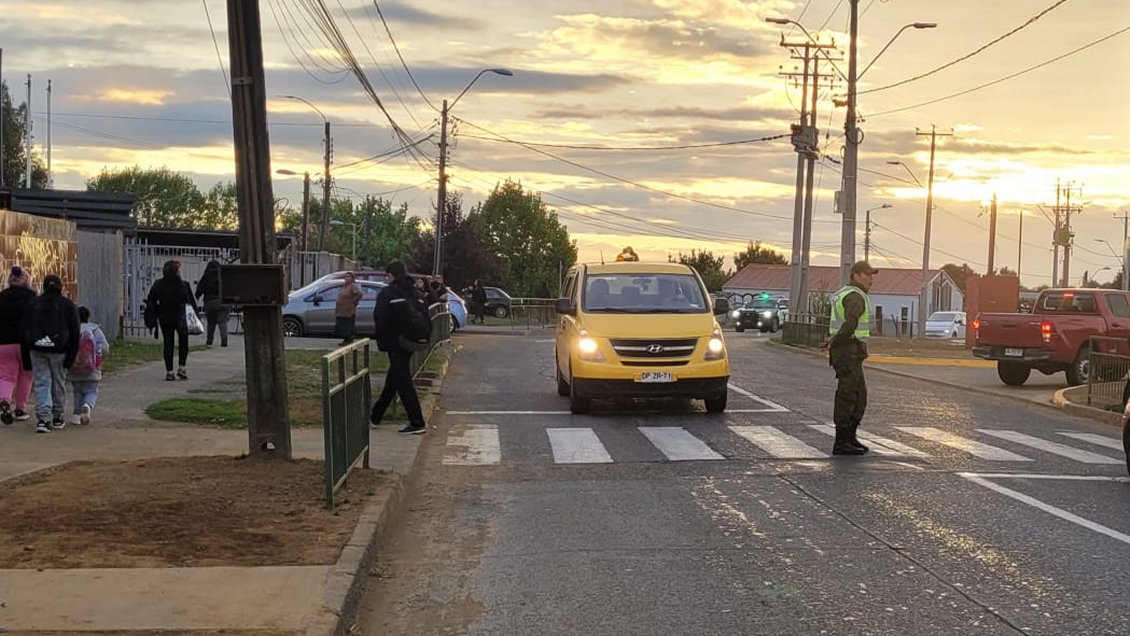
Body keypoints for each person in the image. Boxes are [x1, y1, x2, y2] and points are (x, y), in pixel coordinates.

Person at [369, 260, 427, 435]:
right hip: (414, 340)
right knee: (395, 375)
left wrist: (383, 341)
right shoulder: (416, 292)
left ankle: (417, 421)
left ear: (391, 276)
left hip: (396, 341)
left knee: (402, 379)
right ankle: (376, 415)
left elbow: (380, 317)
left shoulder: (388, 293)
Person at [827, 260, 878, 456]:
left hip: (849, 351)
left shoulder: (846, 292)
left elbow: (842, 325)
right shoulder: (855, 296)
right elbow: (849, 325)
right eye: (867, 275)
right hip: (848, 351)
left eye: (872, 275)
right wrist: (835, 342)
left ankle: (850, 437)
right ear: (856, 275)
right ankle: (842, 441)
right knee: (848, 396)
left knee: (859, 395)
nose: (871, 279)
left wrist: (833, 340)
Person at [20, 274, 80, 433]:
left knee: (42, 383)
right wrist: (71, 357)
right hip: (60, 351)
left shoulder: (33, 304)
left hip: (37, 349)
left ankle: (43, 419)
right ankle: (58, 416)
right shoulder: (67, 305)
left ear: (44, 287)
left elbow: (24, 331)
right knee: (58, 382)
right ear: (60, 287)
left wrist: (26, 358)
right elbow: (75, 333)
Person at [146, 260, 198, 381]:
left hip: (165, 318)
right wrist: (196, 317)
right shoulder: (183, 285)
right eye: (179, 269)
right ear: (175, 271)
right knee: (183, 343)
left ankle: (169, 371)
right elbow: (190, 302)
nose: (180, 271)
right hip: (181, 318)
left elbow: (151, 301)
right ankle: (182, 367)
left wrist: (155, 315)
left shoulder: (158, 284)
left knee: (168, 344)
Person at [0, 267, 37, 425]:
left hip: (3, 343)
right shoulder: (32, 298)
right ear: (25, 280)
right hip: (25, 344)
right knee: (26, 375)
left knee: (6, 375)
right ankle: (20, 409)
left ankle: (4, 401)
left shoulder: (1, 297)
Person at [66, 306, 109, 426]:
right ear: (89, 317)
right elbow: (105, 348)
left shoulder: (72, 330)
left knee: (77, 391)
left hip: (74, 368)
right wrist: (100, 358)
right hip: (92, 369)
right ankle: (87, 405)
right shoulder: (95, 330)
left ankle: (76, 415)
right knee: (92, 391)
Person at [195, 260, 230, 347]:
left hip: (209, 303)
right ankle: (224, 340)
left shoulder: (205, 277)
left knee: (211, 323)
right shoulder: (222, 276)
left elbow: (198, 291)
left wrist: (197, 297)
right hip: (222, 302)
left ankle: (209, 340)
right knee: (223, 322)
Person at [334, 272, 363, 346]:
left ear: (352, 278)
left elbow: (359, 293)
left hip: (348, 310)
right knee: (343, 325)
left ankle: (349, 340)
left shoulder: (353, 286)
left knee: (348, 325)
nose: (347, 278)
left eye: (349, 276)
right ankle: (346, 340)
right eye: (346, 276)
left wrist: (354, 301)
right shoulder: (345, 286)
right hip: (342, 310)